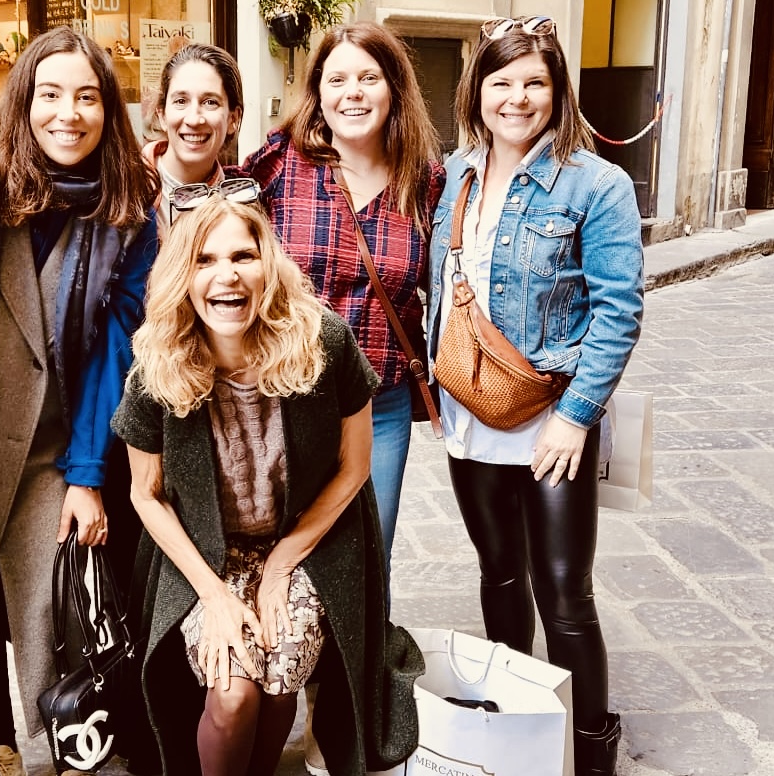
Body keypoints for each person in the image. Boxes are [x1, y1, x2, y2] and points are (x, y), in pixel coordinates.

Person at [112, 197, 418, 776]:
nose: (226, 275)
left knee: (280, 678)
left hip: (301, 545)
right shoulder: (158, 362)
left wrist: (280, 565)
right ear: (184, 277)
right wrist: (215, 595)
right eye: (205, 260)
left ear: (267, 265)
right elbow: (144, 494)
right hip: (204, 557)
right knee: (233, 695)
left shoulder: (321, 340)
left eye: (243, 256)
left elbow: (355, 466)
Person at [427, 16, 643, 776]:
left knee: (562, 588)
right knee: (497, 569)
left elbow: (619, 310)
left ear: (556, 92)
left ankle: (588, 750)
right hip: (468, 409)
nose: (516, 98)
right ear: (476, 90)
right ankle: (517, 717)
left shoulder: (595, 182)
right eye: (501, 81)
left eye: (533, 83)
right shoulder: (454, 173)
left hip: (551, 416)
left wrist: (576, 417)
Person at [0, 26, 158, 776]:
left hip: (52, 453)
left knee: (49, 621)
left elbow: (116, 354)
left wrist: (85, 474)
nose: (67, 113)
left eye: (87, 96)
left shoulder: (130, 214)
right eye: (51, 94)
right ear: (24, 101)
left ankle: (68, 758)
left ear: (109, 110)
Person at [239, 21, 446, 570]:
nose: (352, 93)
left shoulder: (425, 182)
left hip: (381, 405)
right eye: (337, 80)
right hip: (287, 399)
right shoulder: (281, 165)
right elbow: (214, 217)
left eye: (369, 77)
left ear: (394, 89)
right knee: (288, 560)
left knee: (369, 557)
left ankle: (370, 658)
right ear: (319, 93)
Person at [142, 43, 244, 234]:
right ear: (162, 115)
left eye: (210, 102)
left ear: (233, 118)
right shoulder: (125, 189)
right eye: (181, 101)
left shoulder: (241, 202)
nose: (194, 119)